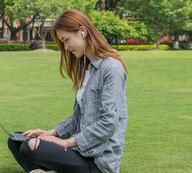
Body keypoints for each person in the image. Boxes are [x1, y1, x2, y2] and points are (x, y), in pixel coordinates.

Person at [7, 9, 128, 173]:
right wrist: (52, 133)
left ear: (83, 32)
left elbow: (108, 123)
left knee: (30, 148)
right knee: (17, 140)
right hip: (79, 151)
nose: (65, 47)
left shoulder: (111, 68)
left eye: (66, 40)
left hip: (97, 162)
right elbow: (79, 116)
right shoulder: (87, 69)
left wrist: (66, 142)